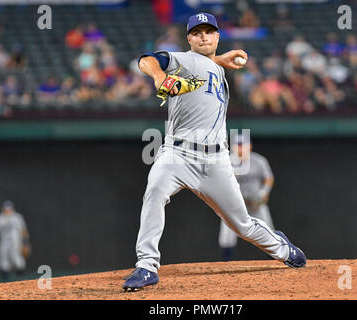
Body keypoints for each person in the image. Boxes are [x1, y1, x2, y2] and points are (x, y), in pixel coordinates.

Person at [122, 12, 306, 292]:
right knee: (155, 192)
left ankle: (282, 248)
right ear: (189, 39)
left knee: (241, 224)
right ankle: (147, 266)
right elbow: (146, 59)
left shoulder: (215, 67)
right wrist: (159, 76)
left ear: (217, 36)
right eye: (197, 33)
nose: (204, 36)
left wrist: (220, 60)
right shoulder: (181, 59)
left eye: (209, 31)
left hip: (216, 159)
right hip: (177, 155)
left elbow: (204, 66)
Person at [218, 134, 275, 261]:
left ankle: (273, 263)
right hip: (235, 206)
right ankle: (226, 264)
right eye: (238, 145)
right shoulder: (227, 162)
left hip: (256, 204)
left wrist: (264, 192)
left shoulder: (259, 161)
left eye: (243, 145)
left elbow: (268, 178)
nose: (240, 148)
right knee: (226, 237)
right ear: (232, 147)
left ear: (250, 146)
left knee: (269, 232)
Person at [0, 201, 31, 281]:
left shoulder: (18, 217)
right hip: (4, 244)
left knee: (18, 260)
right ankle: (5, 284)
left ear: (12, 208)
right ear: (3, 209)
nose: (7, 210)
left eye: (9, 208)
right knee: (3, 263)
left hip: (16, 243)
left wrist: (25, 244)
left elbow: (23, 232)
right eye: (6, 209)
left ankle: (21, 281)